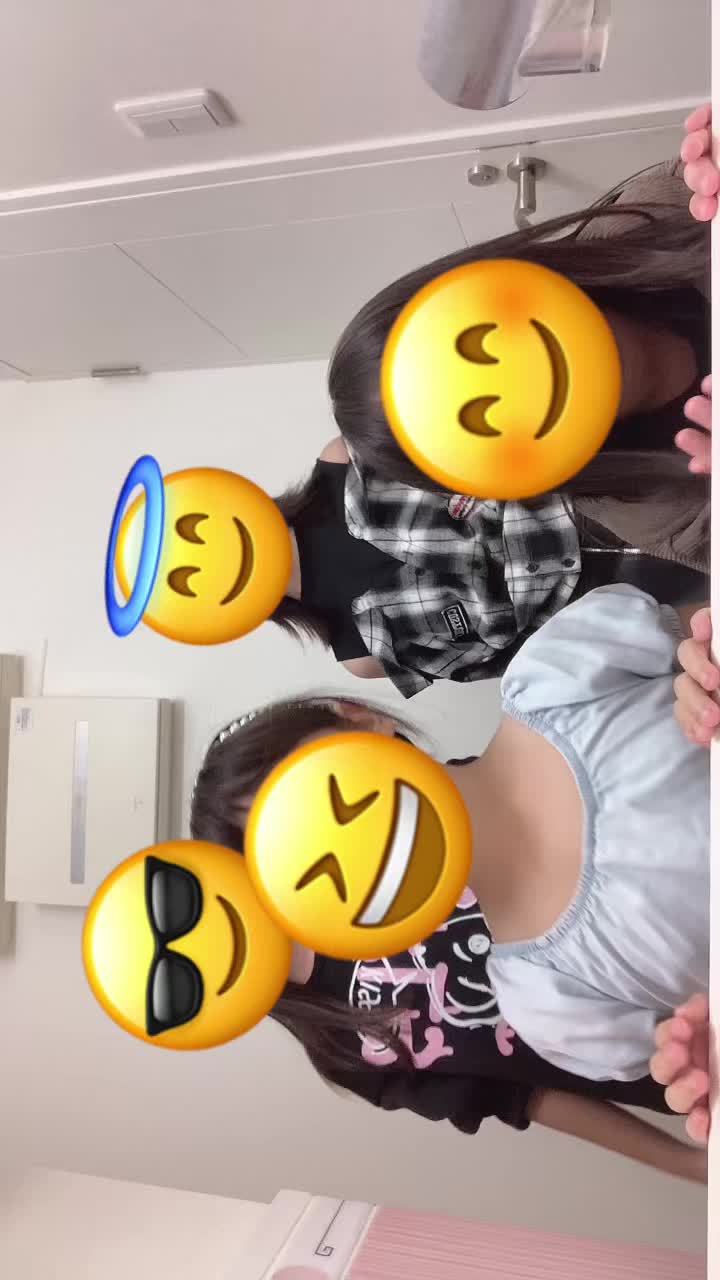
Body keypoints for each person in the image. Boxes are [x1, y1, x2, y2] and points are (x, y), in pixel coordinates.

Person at [191, 583, 711, 1184]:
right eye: (303, 871)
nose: (348, 845)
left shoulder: (561, 670)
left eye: (312, 798)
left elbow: (701, 626)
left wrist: (701, 665)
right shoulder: (550, 1002)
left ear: (359, 717)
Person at [269, 121, 711, 699]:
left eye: (473, 348)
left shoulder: (650, 217)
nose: (511, 378)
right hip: (627, 556)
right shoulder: (672, 514)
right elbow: (528, 655)